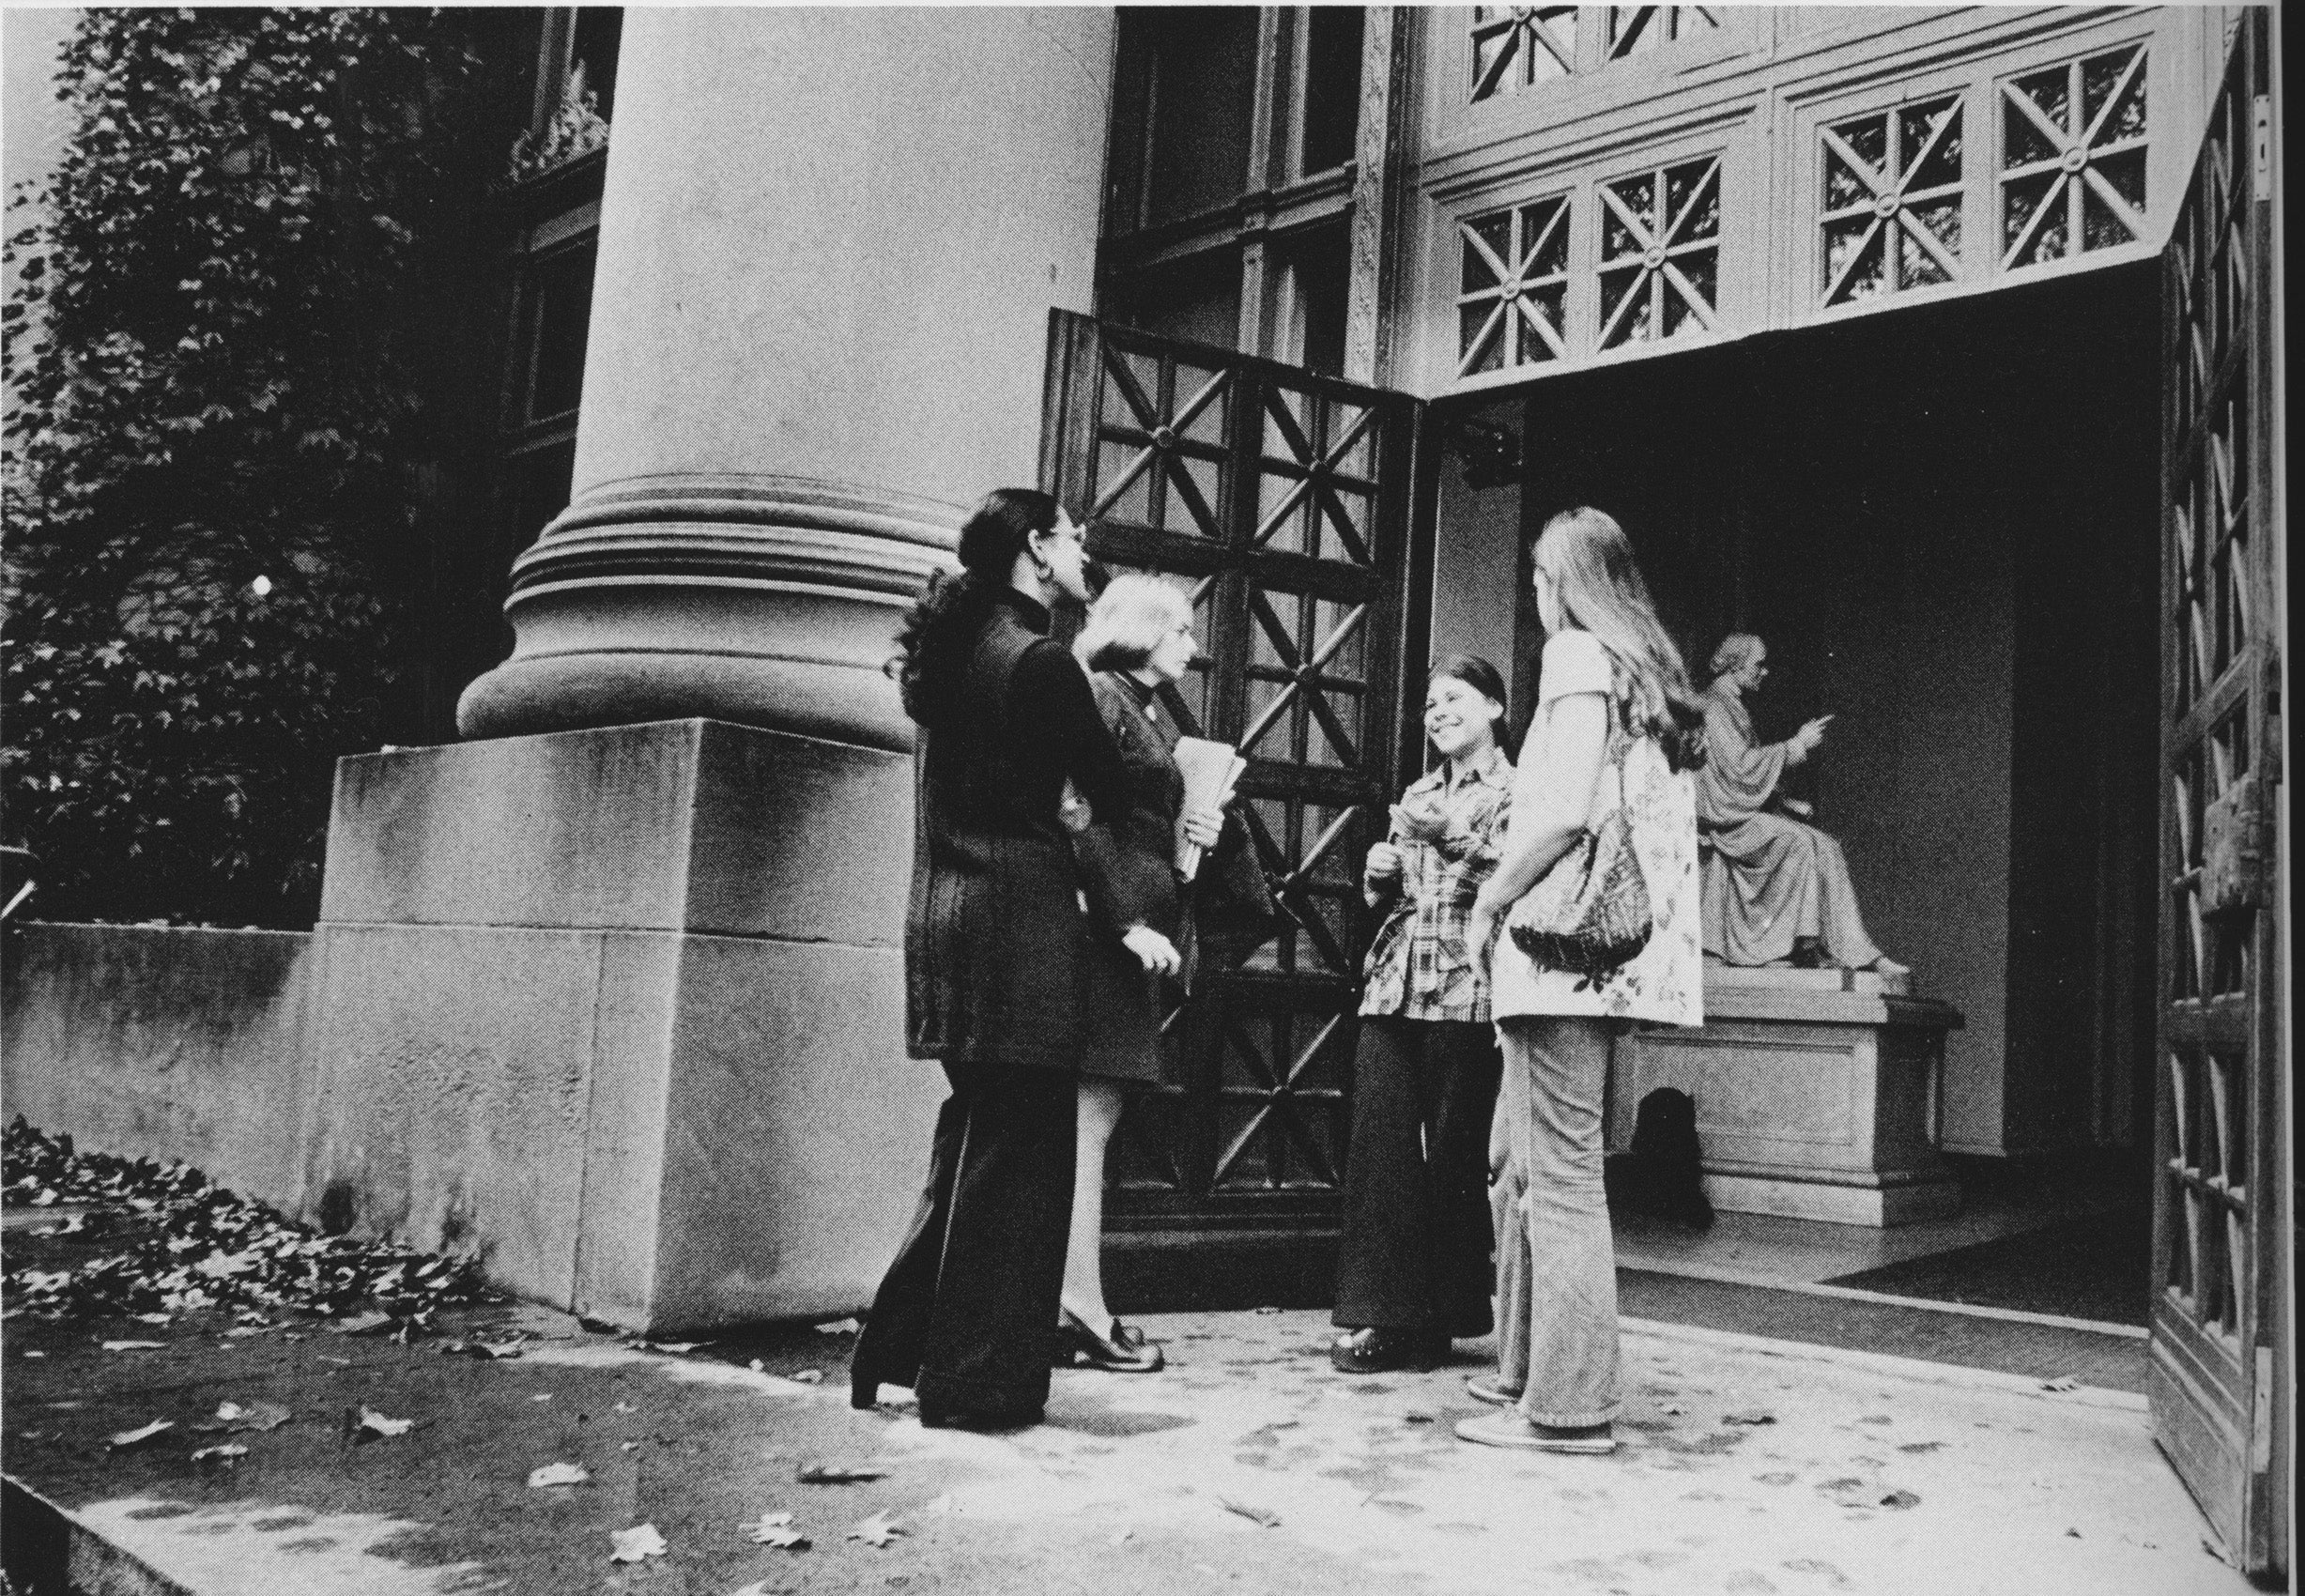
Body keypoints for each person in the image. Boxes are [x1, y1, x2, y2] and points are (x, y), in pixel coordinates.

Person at [851, 487, 1130, 1432]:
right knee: (1021, 1162)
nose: (1083, 549)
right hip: (1021, 931)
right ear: (1033, 550)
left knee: (974, 1136)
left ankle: (896, 1348)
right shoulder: (1041, 661)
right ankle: (977, 1384)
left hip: (947, 922)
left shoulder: (951, 651)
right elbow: (1110, 782)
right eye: (1071, 536)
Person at [1460, 507, 1707, 1455]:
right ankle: (1525, 1373)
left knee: (1555, 1176)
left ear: (1564, 581)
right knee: (1530, 1166)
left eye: (1537, 574)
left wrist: (1491, 898)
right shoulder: (1646, 679)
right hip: (1610, 959)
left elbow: (1560, 811)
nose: (1531, 591)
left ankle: (1566, 1409)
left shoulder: (1573, 656)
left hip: (1556, 954)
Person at [1057, 574, 1232, 1374]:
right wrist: (1124, 917)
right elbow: (1076, 809)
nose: (1193, 647)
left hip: (1132, 934)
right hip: (1108, 939)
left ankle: (1073, 1302)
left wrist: (1190, 826)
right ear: (1142, 633)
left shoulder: (1139, 703)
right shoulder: (1099, 694)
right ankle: (1079, 1309)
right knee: (1086, 1127)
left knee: (1092, 1125)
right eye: (1182, 632)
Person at [1329, 655, 1514, 1374]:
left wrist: (1442, 837)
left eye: (1454, 699)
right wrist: (1380, 877)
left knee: (1453, 1157)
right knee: (1379, 1150)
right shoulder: (1416, 791)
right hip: (1395, 982)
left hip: (1468, 990)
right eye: (1430, 703)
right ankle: (1381, 1315)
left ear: (1494, 707)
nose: (1436, 712)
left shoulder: (1516, 791)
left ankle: (1439, 1319)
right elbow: (1408, 898)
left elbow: (1509, 879)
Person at [1694, 634, 1904, 974]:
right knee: (1802, 843)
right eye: (1758, 664)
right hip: (1725, 820)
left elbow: (1739, 772)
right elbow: (1739, 770)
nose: (1764, 672)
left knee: (1826, 845)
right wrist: (1795, 746)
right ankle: (1797, 946)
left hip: (1739, 811)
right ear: (1735, 664)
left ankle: (1857, 951)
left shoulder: (1731, 705)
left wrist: (1783, 800)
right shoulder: (1715, 706)